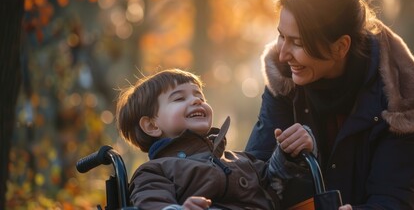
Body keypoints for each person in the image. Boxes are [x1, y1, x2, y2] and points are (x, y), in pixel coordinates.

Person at [245, 0, 414, 210]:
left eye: (298, 43)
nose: (282, 54)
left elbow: (395, 200)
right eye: (281, 36)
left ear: (341, 46)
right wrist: (290, 159)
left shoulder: (401, 103)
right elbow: (253, 180)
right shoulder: (285, 81)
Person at [115, 68, 316, 210]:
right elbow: (151, 202)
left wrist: (288, 152)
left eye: (200, 97)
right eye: (179, 98)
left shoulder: (238, 159)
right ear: (152, 125)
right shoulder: (155, 171)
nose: (196, 100)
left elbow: (275, 182)